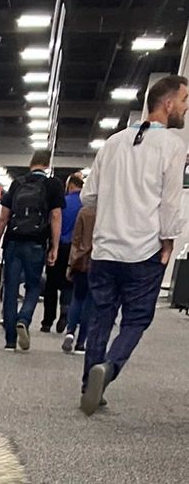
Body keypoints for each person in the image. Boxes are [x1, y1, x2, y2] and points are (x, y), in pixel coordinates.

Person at [78, 74, 188, 415]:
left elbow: (88, 196)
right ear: (168, 104)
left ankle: (88, 386)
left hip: (106, 248)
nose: (186, 109)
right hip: (144, 251)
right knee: (136, 319)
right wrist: (168, 241)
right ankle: (108, 368)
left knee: (100, 317)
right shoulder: (172, 146)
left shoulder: (112, 143)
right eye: (185, 101)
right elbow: (170, 202)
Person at [0, 149, 63, 354]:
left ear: (31, 163)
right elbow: (55, 217)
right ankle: (24, 318)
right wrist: (54, 247)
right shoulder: (53, 185)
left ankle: (10, 341)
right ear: (47, 165)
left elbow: (3, 218)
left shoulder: (18, 183)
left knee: (10, 290)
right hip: (37, 244)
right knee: (33, 286)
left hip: (13, 243)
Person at [41, 170, 83, 333]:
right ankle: (65, 312)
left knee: (51, 284)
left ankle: (47, 321)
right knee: (69, 284)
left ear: (70, 186)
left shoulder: (62, 203)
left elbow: (53, 221)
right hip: (76, 249)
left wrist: (52, 246)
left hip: (58, 246)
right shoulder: (86, 205)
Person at [62, 198, 95, 354]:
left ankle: (70, 332)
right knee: (90, 301)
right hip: (99, 261)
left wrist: (71, 263)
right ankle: (81, 342)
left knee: (77, 297)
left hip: (81, 260)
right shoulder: (108, 212)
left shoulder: (84, 212)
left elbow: (76, 239)